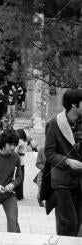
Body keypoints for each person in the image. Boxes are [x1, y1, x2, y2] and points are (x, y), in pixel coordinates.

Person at [44, 89, 82, 237]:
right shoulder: (54, 124)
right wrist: (67, 161)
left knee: (78, 221)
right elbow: (49, 153)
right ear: (74, 105)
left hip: (80, 181)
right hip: (62, 181)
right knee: (68, 222)